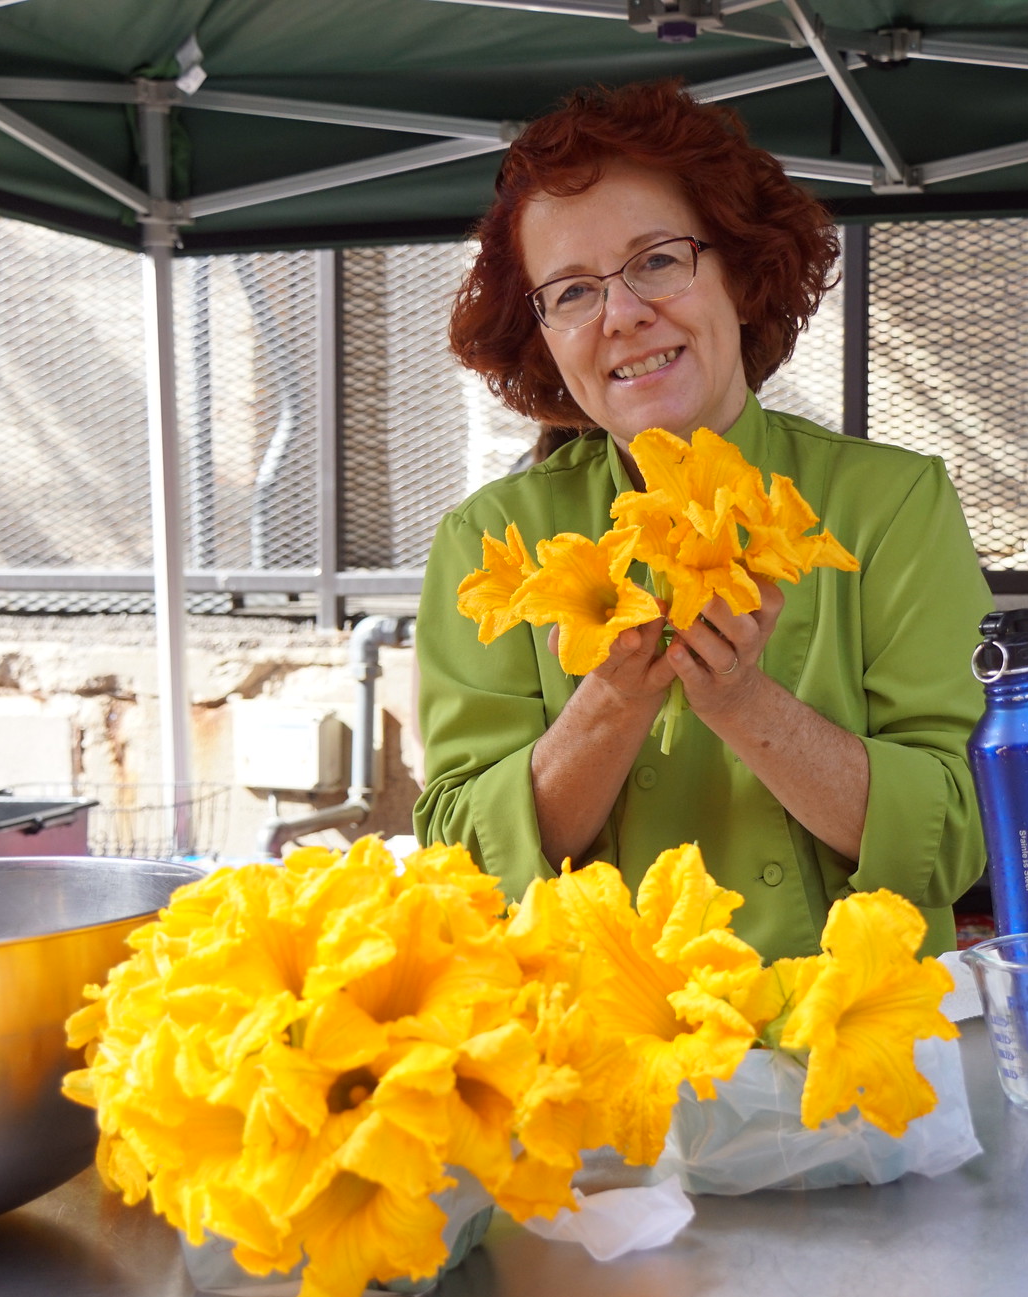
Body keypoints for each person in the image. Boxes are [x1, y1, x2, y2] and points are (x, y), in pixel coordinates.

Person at [414, 80, 993, 962]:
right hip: (595, 1058)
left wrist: (743, 702)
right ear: (544, 341)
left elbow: (955, 838)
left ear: (743, 276)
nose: (622, 314)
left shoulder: (891, 506)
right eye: (571, 292)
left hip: (837, 1056)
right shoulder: (491, 543)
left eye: (658, 261)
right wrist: (610, 700)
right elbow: (461, 872)